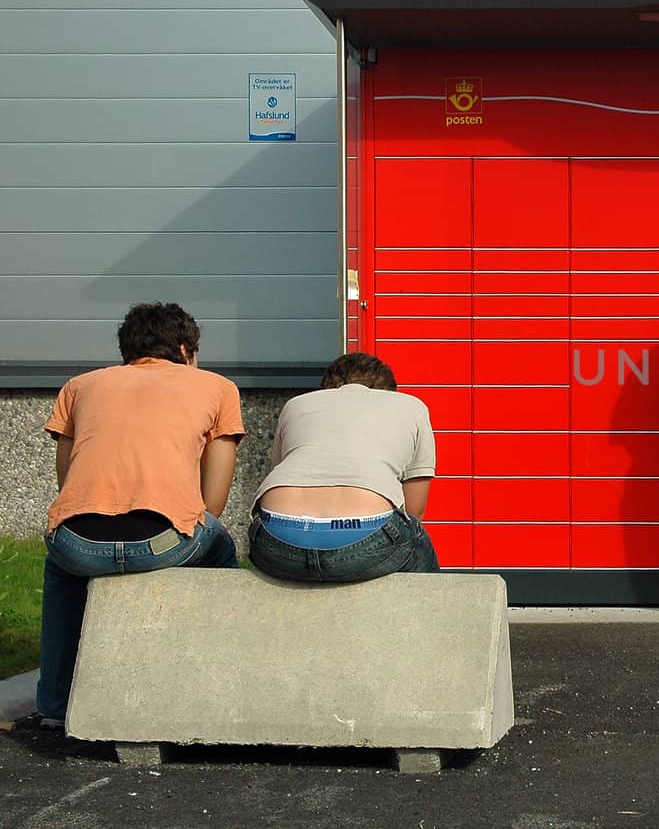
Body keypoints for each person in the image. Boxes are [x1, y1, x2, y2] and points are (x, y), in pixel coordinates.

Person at [36, 302, 244, 726]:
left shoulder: (80, 386)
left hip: (78, 545)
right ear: (186, 350)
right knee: (219, 543)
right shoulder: (217, 387)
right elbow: (214, 502)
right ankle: (213, 683)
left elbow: (69, 484)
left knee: (60, 569)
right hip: (161, 544)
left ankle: (56, 707)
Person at [247, 352, 439, 581]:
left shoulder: (296, 404)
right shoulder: (412, 406)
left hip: (276, 538)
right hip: (367, 536)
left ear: (328, 387)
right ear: (387, 390)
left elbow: (278, 469)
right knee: (417, 540)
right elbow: (414, 512)